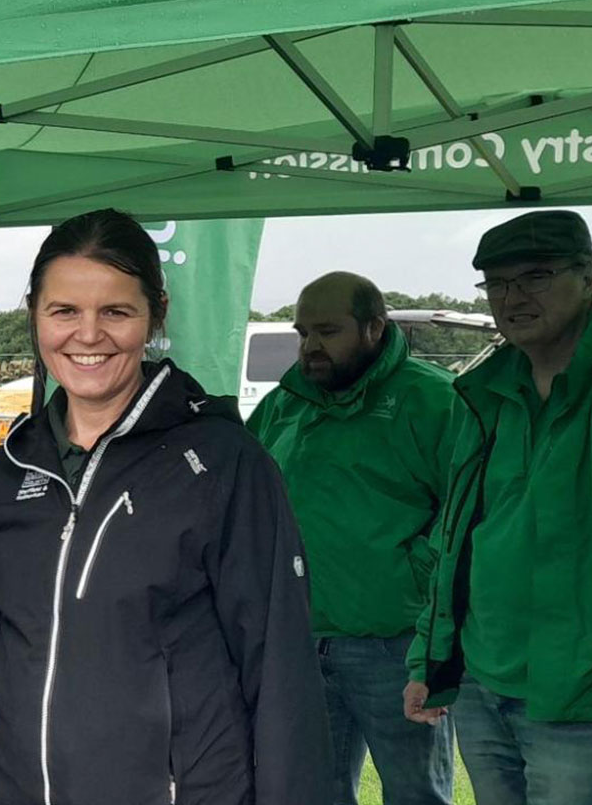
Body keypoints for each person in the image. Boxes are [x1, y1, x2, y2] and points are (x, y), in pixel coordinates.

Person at [0, 209, 329, 805]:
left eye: (115, 311)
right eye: (64, 311)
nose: (87, 335)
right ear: (35, 315)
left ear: (155, 314)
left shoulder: (222, 462)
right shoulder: (11, 466)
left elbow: (281, 674)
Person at [404, 211, 592, 805]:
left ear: (588, 277)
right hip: (484, 681)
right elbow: (456, 537)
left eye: (535, 276)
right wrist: (428, 659)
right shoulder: (485, 387)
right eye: (496, 284)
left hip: (585, 693)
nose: (512, 298)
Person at [247, 272, 460, 805]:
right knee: (310, 791)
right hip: (299, 642)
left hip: (398, 647)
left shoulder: (433, 400)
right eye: (302, 332)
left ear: (374, 327)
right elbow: (245, 500)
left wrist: (415, 577)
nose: (311, 346)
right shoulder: (284, 404)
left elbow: (469, 514)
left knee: (416, 793)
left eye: (328, 330)